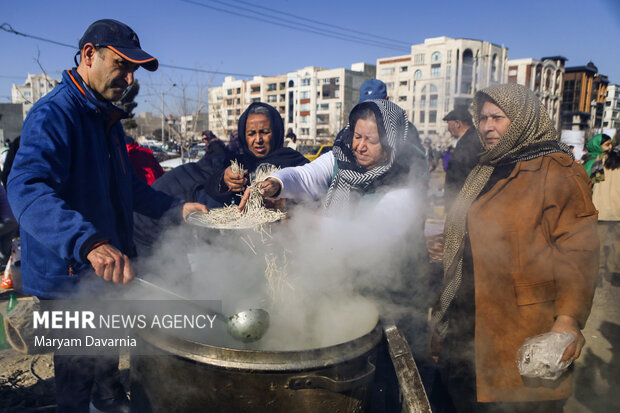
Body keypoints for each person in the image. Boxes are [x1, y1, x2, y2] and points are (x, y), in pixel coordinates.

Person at [7, 19, 207, 413]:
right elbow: (26, 188)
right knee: (76, 379)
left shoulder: (105, 120)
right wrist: (87, 241)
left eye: (134, 70)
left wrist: (174, 208)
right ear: (88, 56)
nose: (130, 79)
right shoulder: (55, 115)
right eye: (122, 66)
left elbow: (127, 188)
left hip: (105, 273)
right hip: (69, 280)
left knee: (106, 370)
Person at [431, 83, 598, 412]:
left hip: (517, 327)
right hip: (467, 318)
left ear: (523, 118)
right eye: (482, 118)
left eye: (498, 117)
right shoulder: (487, 167)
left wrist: (567, 320)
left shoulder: (558, 170)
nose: (487, 126)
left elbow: (579, 254)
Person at [205, 102, 309, 207]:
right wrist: (224, 180)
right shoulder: (237, 162)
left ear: (276, 132)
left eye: (265, 132)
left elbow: (317, 191)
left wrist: (286, 202)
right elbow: (210, 187)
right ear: (243, 135)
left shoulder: (293, 160)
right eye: (251, 133)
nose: (258, 139)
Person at [443, 107, 483, 210]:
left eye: (448, 123)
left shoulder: (470, 142)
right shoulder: (471, 138)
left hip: (464, 205)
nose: (448, 128)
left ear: (457, 123)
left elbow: (464, 174)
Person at [592, 143, 620, 286]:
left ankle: (598, 275)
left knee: (599, 243)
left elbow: (593, 181)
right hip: (618, 210)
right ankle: (615, 274)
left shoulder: (600, 160)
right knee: (618, 243)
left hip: (601, 208)